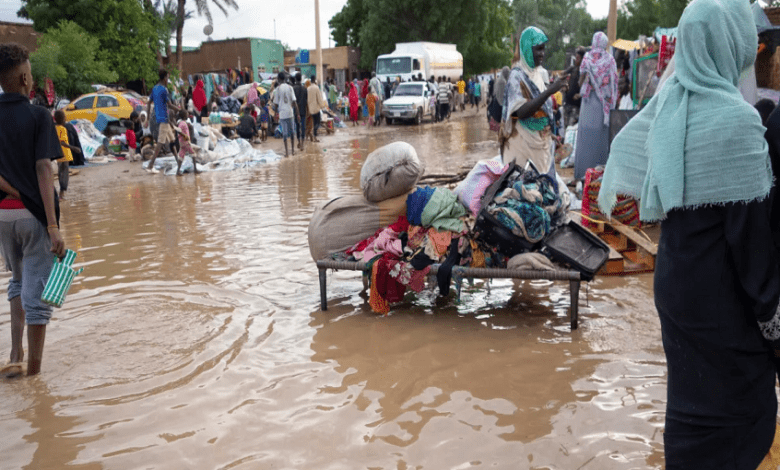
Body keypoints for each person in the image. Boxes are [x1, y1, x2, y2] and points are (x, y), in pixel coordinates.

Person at [599, 0, 780, 467]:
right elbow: (754, 260)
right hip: (722, 306)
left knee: (689, 419)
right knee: (736, 427)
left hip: (678, 293)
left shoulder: (668, 108)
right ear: (733, 43)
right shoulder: (738, 123)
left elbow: (625, 185)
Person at [0, 42, 66, 377]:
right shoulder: (39, 115)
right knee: (37, 291)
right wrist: (52, 225)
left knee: (18, 280)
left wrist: (11, 189)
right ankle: (34, 376)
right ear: (25, 78)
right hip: (33, 216)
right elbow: (44, 168)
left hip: (3, 217)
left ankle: (14, 353)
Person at [500, 26, 569, 177]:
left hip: (540, 142)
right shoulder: (516, 77)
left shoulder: (538, 74)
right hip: (521, 144)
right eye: (538, 49)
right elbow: (521, 112)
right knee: (522, 188)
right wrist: (550, 91)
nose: (542, 54)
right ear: (526, 48)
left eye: (543, 49)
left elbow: (541, 103)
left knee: (544, 189)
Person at [573, 32, 618, 180]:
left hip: (588, 104)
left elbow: (580, 82)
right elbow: (614, 84)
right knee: (601, 139)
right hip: (602, 107)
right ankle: (600, 176)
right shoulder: (610, 60)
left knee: (585, 138)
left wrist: (590, 83)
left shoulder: (587, 58)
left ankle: (582, 175)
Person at [146, 69, 180, 175]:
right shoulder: (164, 90)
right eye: (168, 78)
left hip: (159, 118)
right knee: (160, 143)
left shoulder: (155, 88)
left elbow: (148, 103)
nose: (168, 80)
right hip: (164, 119)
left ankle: (178, 161)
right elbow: (169, 105)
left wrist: (147, 117)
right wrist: (179, 110)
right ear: (165, 78)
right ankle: (150, 165)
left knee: (172, 140)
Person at [54, 110, 80, 200]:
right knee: (64, 175)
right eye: (64, 117)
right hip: (64, 154)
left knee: (61, 174)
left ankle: (61, 194)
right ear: (62, 119)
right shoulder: (62, 129)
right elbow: (62, 142)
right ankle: (61, 194)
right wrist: (73, 148)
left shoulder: (54, 128)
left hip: (58, 155)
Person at [273, 71, 298, 157]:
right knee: (292, 133)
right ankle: (293, 151)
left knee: (284, 134)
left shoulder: (277, 89)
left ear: (279, 79)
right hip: (290, 113)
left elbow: (275, 104)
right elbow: (294, 101)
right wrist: (296, 113)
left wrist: (275, 114)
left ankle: (287, 152)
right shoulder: (290, 87)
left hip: (282, 114)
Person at [564, 47, 586, 126]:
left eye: (578, 58)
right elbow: (561, 75)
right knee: (566, 127)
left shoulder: (585, 71)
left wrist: (580, 95)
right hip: (567, 104)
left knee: (571, 127)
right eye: (576, 58)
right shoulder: (572, 68)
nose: (576, 60)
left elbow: (588, 87)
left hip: (576, 106)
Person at [174, 110, 199, 175]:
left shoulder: (182, 123)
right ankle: (195, 169)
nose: (188, 115)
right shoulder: (183, 123)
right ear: (184, 116)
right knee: (193, 154)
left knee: (181, 156)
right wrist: (184, 135)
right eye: (187, 114)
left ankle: (178, 171)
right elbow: (179, 131)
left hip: (182, 142)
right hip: (185, 142)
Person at [307, 76, 327, 141]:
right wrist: (322, 106)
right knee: (317, 122)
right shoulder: (316, 88)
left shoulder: (308, 88)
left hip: (310, 109)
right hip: (316, 109)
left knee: (313, 122)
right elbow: (319, 98)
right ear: (314, 80)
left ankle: (312, 133)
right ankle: (313, 134)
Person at [292, 73, 307, 151]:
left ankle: (298, 141)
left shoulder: (293, 88)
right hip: (303, 110)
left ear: (295, 79)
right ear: (301, 79)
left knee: (297, 126)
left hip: (296, 111)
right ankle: (303, 143)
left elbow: (292, 101)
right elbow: (306, 100)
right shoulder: (305, 88)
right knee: (303, 126)